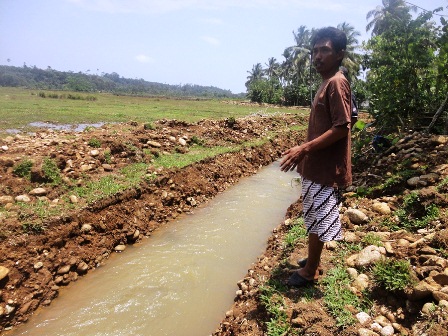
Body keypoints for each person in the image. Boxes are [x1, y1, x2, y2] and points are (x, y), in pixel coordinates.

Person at [280, 27, 352, 287]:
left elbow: (342, 127)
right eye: (315, 51)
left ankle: (310, 272)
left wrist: (304, 149)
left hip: (324, 167)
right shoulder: (328, 81)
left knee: (319, 216)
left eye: (325, 50)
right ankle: (314, 261)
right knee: (313, 214)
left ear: (339, 54)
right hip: (316, 165)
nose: (318, 56)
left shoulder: (335, 82)